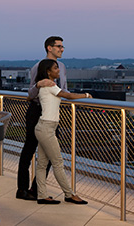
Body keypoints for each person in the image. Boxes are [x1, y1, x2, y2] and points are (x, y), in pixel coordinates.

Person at [32, 59, 91, 204]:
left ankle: (41, 195)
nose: (59, 70)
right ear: (48, 72)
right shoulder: (49, 85)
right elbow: (68, 95)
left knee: (42, 164)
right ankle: (69, 194)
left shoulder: (46, 85)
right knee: (57, 162)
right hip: (46, 127)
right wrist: (86, 95)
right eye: (56, 68)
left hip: (44, 127)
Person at [17, 36, 68, 201]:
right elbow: (30, 94)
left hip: (52, 115)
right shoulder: (37, 67)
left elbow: (63, 91)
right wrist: (38, 85)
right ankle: (22, 190)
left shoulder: (62, 67)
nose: (62, 49)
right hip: (37, 111)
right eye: (59, 46)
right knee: (29, 150)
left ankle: (37, 190)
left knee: (50, 155)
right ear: (49, 48)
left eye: (62, 46)